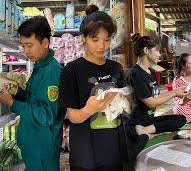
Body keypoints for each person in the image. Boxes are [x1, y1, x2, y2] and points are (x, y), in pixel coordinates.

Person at [59, 11, 127, 170]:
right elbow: (72, 116)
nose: (101, 46)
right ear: (84, 37)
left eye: (107, 40)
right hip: (85, 154)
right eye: (95, 39)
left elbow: (121, 109)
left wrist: (125, 102)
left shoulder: (116, 68)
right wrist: (88, 110)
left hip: (113, 150)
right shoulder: (72, 70)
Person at [0, 16, 64, 170]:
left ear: (45, 43)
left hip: (42, 150)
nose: (26, 51)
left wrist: (12, 103)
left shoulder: (51, 72)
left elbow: (47, 114)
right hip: (35, 147)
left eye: (29, 45)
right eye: (23, 46)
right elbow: (33, 100)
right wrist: (15, 89)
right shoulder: (40, 67)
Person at [126, 33, 188, 142]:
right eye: (157, 50)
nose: (159, 55)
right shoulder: (135, 74)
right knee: (174, 122)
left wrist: (176, 91)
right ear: (146, 50)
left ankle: (145, 131)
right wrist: (173, 94)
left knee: (181, 119)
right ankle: (141, 131)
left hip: (148, 120)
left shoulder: (151, 72)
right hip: (136, 121)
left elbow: (156, 96)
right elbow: (151, 103)